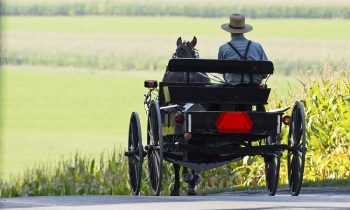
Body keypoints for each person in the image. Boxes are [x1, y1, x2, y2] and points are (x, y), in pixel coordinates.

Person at [218, 14, 268, 86]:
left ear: (229, 31)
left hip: (232, 90)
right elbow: (265, 74)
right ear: (244, 30)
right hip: (254, 90)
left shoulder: (223, 48)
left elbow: (222, 72)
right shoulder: (257, 47)